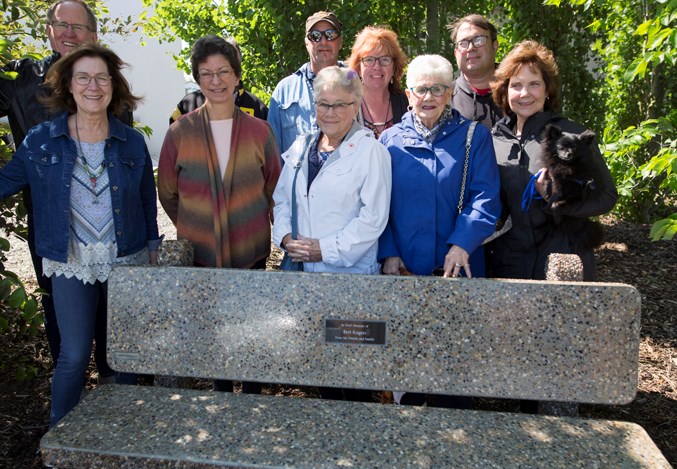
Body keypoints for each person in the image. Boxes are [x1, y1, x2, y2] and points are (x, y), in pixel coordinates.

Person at [0, 43, 161, 469]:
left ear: (114, 87)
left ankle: (116, 436)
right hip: (71, 260)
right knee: (73, 356)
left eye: (102, 78)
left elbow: (147, 198)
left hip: (123, 259)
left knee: (124, 358)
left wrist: (152, 246)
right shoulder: (42, 139)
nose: (93, 86)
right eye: (84, 78)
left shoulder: (130, 141)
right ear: (69, 86)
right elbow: (9, 178)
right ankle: (61, 445)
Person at [0, 0, 119, 381]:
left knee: (108, 311)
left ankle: (111, 394)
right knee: (59, 320)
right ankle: (70, 394)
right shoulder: (22, 80)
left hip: (105, 226)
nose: (69, 33)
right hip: (50, 226)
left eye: (78, 26)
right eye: (61, 25)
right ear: (49, 31)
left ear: (93, 35)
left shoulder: (106, 80)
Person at [158, 35, 280, 394]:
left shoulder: (261, 131)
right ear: (197, 78)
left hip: (251, 248)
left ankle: (253, 398)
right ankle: (224, 398)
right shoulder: (180, 133)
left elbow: (273, 187)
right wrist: (199, 220)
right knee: (217, 334)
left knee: (252, 328)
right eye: (207, 73)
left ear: (237, 76)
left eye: (224, 72)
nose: (216, 81)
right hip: (202, 253)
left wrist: (250, 215)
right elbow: (168, 191)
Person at [378, 55, 500, 408]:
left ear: (449, 93)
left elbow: (485, 197)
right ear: (408, 93)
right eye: (421, 89)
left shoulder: (473, 137)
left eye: (437, 88)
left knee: (454, 369)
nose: (428, 96)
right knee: (407, 367)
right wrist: (388, 252)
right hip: (404, 272)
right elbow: (377, 205)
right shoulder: (389, 141)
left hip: (456, 270)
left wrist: (462, 244)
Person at [272, 66, 391, 401]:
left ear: (355, 107)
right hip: (306, 277)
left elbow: (373, 220)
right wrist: (284, 238)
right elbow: (282, 200)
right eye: (323, 104)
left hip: (350, 279)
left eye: (340, 105)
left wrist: (323, 249)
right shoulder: (301, 147)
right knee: (320, 367)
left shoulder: (372, 152)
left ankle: (358, 444)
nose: (330, 112)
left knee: (352, 372)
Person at [488, 40, 617, 283]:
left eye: (534, 84)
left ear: (548, 90)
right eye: (516, 85)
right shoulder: (494, 138)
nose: (525, 93)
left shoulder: (573, 136)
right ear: (505, 91)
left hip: (564, 256)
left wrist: (558, 203)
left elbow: (607, 196)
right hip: (510, 262)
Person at [267, 11, 345, 156]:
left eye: (330, 34)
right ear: (306, 42)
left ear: (340, 41)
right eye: (315, 36)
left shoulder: (356, 84)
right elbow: (272, 156)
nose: (323, 41)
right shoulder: (283, 92)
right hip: (297, 178)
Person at [169, 37, 268, 124]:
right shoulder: (187, 105)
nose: (216, 81)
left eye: (224, 70)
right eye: (207, 73)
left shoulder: (259, 109)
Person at [347, 26, 408, 138]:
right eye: (369, 60)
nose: (377, 66)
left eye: (385, 59)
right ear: (358, 67)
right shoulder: (345, 105)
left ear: (394, 66)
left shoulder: (407, 103)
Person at [448, 14, 503, 129]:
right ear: (455, 53)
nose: (470, 48)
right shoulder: (446, 98)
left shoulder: (516, 92)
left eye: (479, 40)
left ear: (495, 46)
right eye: (463, 43)